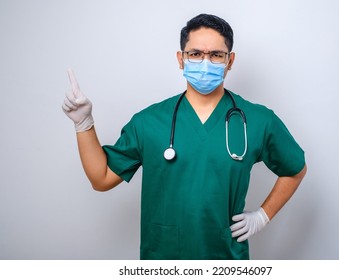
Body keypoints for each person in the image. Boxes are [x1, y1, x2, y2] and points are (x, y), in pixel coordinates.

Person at [62, 13, 307, 260]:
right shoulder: (149, 122)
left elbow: (295, 168)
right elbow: (101, 179)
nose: (205, 62)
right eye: (196, 54)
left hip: (226, 259)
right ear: (181, 59)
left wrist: (263, 216)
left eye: (216, 55)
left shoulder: (257, 120)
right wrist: (84, 123)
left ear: (230, 61)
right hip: (164, 259)